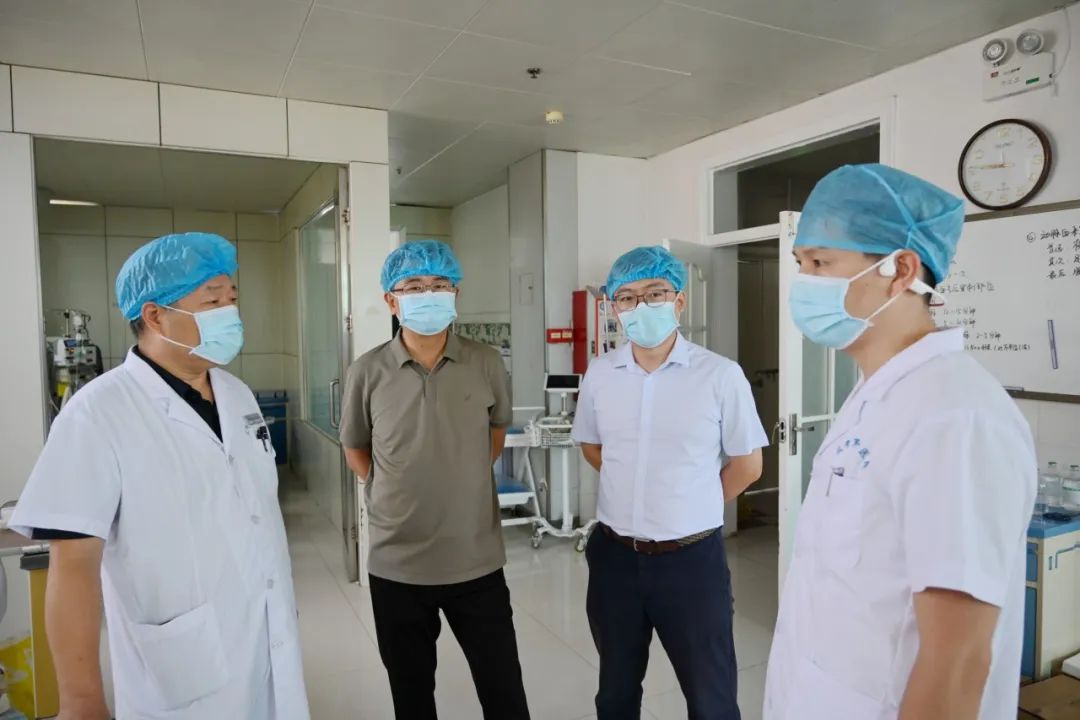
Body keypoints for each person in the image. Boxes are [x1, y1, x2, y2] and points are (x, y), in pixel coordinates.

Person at [764, 164, 1037, 720]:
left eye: (820, 263)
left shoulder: (955, 417)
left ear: (901, 270)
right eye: (800, 264)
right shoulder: (876, 394)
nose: (803, 282)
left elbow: (957, 662)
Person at [10, 233, 310, 720]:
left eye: (232, 299)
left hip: (266, 632)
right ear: (154, 315)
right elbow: (74, 566)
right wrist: (81, 700)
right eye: (212, 301)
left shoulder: (237, 395)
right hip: (182, 664)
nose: (230, 313)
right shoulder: (97, 412)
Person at [571, 245, 768, 720]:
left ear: (679, 300)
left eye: (655, 293)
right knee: (615, 692)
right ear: (614, 308)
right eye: (627, 297)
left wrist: (690, 500)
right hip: (615, 558)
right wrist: (638, 485)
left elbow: (748, 465)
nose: (641, 305)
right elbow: (593, 447)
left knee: (710, 697)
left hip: (691, 563)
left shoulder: (720, 375)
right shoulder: (600, 374)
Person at [340, 239, 530, 720]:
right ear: (391, 300)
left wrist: (458, 475)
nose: (428, 294)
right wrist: (395, 487)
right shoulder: (367, 371)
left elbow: (495, 432)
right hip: (397, 565)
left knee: (504, 692)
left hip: (476, 559)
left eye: (439, 284)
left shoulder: (485, 362)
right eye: (413, 286)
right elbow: (356, 448)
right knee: (412, 697)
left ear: (455, 293)